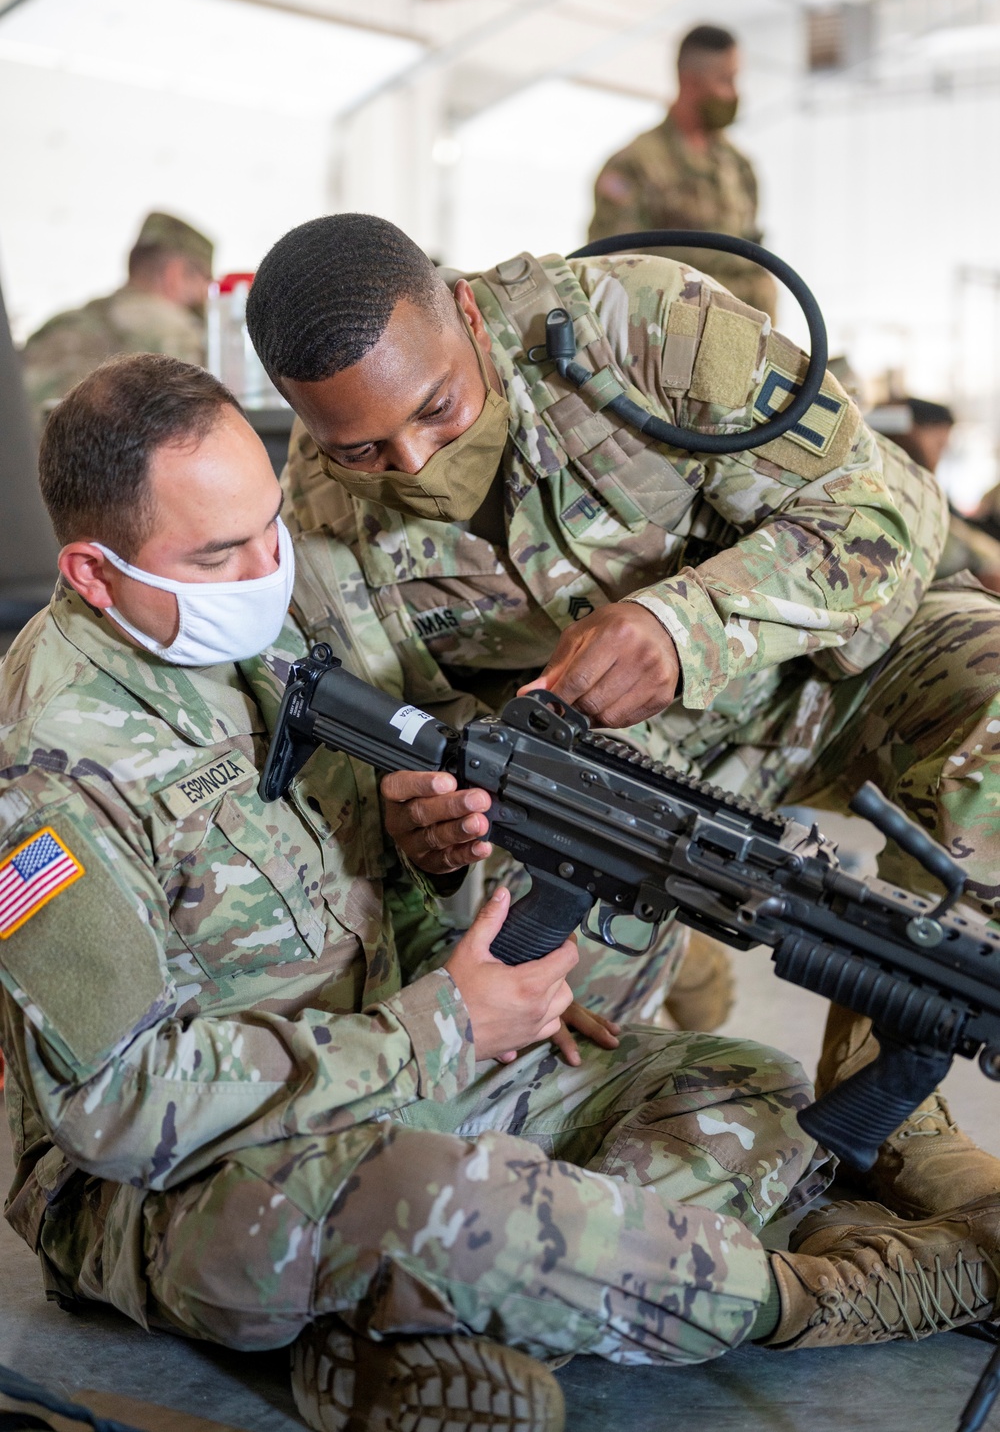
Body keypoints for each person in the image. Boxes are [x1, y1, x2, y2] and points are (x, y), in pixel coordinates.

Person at [3, 358, 999, 1432]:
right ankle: (816, 1299)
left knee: (737, 1087)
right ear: (95, 575)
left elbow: (367, 872)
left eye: (270, 527)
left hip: (408, 1074)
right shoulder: (45, 777)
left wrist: (439, 876)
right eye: (217, 553)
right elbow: (119, 1106)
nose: (266, 569)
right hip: (191, 1174)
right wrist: (441, 1027)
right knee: (450, 1208)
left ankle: (409, 1321)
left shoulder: (271, 627)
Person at [244, 211, 1000, 1226]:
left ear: (466, 313)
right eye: (366, 448)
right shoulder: (319, 528)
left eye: (438, 409)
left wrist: (688, 622)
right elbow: (402, 739)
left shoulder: (639, 326)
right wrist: (423, 825)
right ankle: (685, 988)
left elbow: (882, 513)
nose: (416, 463)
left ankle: (897, 1129)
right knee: (514, 1088)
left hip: (832, 683)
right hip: (610, 807)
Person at [587, 24, 776, 316]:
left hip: (743, 333)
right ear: (690, 83)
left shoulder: (738, 166)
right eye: (725, 80)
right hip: (669, 339)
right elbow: (611, 271)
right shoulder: (634, 166)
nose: (734, 93)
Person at [19, 211, 213, 426]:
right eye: (204, 281)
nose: (205, 295)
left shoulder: (62, 323)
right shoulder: (175, 330)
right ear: (174, 275)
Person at [868, 397, 1000, 592]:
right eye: (938, 445)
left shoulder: (923, 488)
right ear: (911, 433)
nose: (938, 457)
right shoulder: (900, 482)